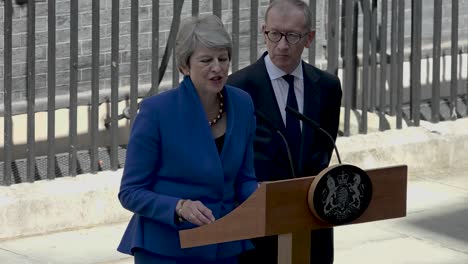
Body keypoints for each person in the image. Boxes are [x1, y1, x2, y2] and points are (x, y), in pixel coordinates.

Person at [117, 14, 258, 264]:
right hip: (166, 249)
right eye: (206, 60)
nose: (217, 67)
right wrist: (178, 206)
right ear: (184, 66)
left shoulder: (242, 104)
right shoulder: (156, 112)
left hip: (224, 248)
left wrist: (267, 196)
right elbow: (130, 192)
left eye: (223, 59)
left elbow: (244, 179)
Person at [227, 0, 342, 263]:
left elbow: (324, 147)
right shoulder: (239, 88)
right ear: (264, 32)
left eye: (292, 35)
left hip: (312, 224)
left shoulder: (327, 86)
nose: (282, 45)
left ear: (309, 38)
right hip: (258, 226)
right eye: (275, 34)